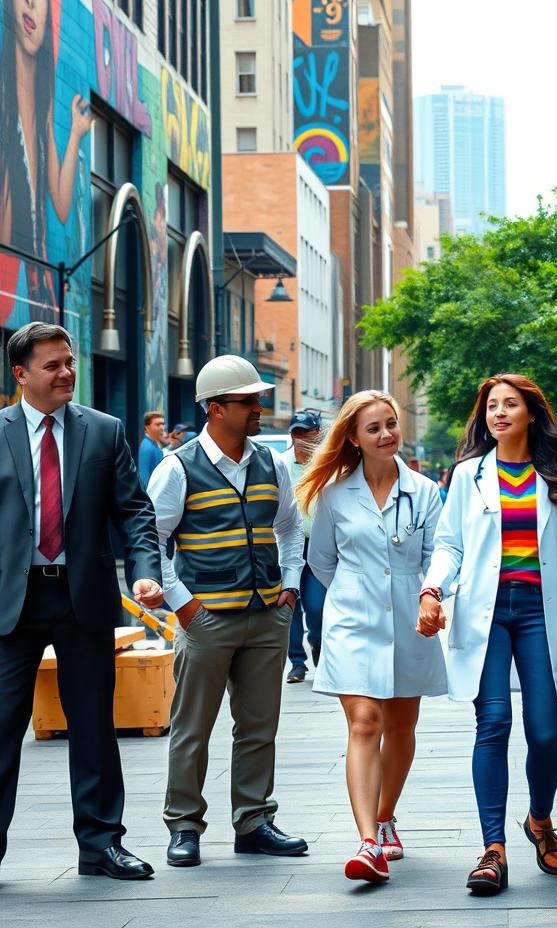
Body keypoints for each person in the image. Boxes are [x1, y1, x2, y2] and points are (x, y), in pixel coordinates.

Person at [417, 374, 557, 895]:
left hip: (544, 611)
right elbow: (449, 544)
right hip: (485, 611)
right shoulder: (469, 474)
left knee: (544, 730)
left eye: (509, 405)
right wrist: (432, 590)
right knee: (493, 721)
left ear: (531, 414)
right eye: (491, 406)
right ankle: (492, 848)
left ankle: (539, 820)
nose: (498, 413)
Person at [0, 322, 162, 880]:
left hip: (83, 599)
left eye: (70, 362)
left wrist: (143, 573)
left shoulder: (103, 430)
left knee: (93, 728)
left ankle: (100, 845)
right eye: (53, 366)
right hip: (10, 604)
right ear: (20, 374)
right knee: (0, 731)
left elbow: (134, 511)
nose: (67, 372)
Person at [147, 355, 307, 869]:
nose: (259, 406)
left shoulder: (272, 462)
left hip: (266, 615)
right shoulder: (178, 466)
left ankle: (255, 821)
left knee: (259, 727)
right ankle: (184, 826)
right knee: (191, 727)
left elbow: (288, 528)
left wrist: (289, 588)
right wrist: (185, 606)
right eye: (247, 400)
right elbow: (151, 541)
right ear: (216, 408)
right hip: (207, 618)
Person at [296, 391, 446, 884]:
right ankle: (367, 842)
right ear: (354, 439)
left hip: (410, 617)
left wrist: (429, 596)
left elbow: (437, 558)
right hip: (352, 619)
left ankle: (385, 818)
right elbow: (321, 561)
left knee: (401, 726)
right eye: (373, 428)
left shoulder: (424, 491)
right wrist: (355, 590)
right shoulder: (336, 496)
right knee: (365, 721)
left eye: (390, 425)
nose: (386, 435)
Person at [0, 0, 92, 323]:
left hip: (41, 292)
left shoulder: (42, 108)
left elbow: (59, 201)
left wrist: (75, 133)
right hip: (15, 295)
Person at [283, 410, 327, 684]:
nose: (300, 439)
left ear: (317, 435)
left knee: (317, 605)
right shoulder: (280, 464)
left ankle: (318, 643)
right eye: (296, 433)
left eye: (306, 433)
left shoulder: (326, 465)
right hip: (287, 547)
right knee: (289, 606)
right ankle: (297, 663)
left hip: (317, 547)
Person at [138, 411, 166, 490]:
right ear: (147, 427)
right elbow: (144, 475)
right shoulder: (147, 447)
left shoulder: (155, 444)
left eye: (162, 424)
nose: (162, 427)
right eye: (158, 424)